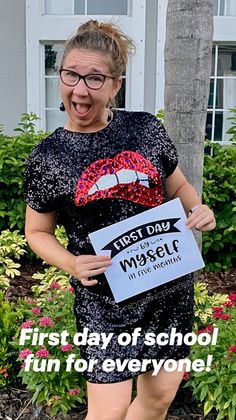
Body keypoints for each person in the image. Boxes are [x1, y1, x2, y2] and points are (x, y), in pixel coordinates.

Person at [24, 20, 216, 420]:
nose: (80, 89)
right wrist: (72, 264)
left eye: (95, 78)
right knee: (107, 413)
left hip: (167, 286)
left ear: (115, 84)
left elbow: (178, 188)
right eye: (71, 75)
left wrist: (197, 208)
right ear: (59, 77)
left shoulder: (146, 129)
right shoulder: (48, 158)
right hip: (105, 302)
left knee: (160, 397)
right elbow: (37, 232)